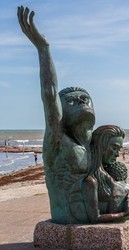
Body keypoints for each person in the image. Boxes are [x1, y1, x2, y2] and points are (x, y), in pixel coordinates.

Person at [17, 6, 95, 224]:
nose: (80, 102)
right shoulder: (58, 137)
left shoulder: (92, 142)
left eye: (85, 99)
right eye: (71, 101)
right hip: (67, 218)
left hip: (90, 213)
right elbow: (50, 95)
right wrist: (43, 48)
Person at [69, 125, 129, 223]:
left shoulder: (109, 175)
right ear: (101, 146)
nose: (117, 154)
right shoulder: (90, 181)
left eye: (119, 149)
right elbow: (95, 218)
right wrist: (126, 213)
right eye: (114, 148)